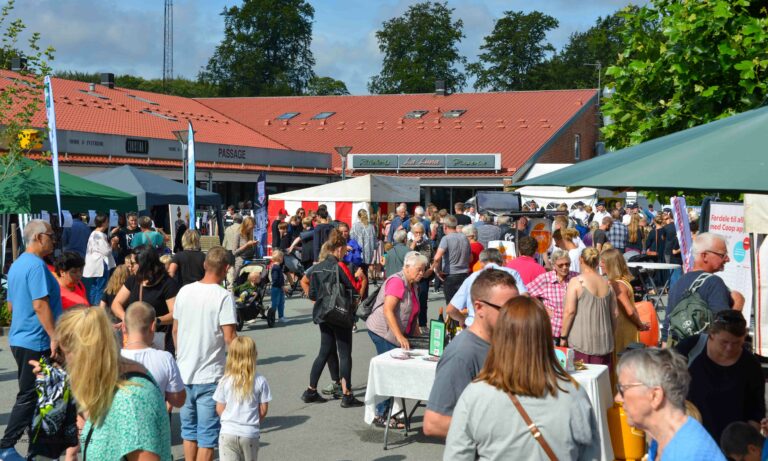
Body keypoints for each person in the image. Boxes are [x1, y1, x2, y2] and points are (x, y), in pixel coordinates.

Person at [444, 297, 600, 460]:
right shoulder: (574, 395)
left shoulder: (475, 395)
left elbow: (456, 455)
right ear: (545, 338)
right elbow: (591, 455)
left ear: (500, 337)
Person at [52, 307, 172, 461]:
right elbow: (97, 425)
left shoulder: (131, 401)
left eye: (64, 354)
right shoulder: (113, 382)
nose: (66, 365)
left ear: (86, 355)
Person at [423, 269, 520, 438]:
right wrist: (507, 430)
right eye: (505, 308)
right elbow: (434, 423)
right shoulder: (462, 354)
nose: (513, 315)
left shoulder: (503, 340)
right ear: (479, 308)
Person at [0, 220, 62, 460]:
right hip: (35, 340)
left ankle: (38, 447)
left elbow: (11, 305)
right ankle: (6, 446)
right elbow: (39, 304)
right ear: (38, 237)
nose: (53, 239)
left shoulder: (17, 264)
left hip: (21, 337)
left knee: (39, 394)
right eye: (50, 235)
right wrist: (54, 335)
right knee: (30, 395)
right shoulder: (36, 266)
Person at [173, 246, 238, 461]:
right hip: (210, 374)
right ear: (226, 268)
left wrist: (180, 356)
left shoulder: (184, 291)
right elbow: (230, 338)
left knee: (189, 432)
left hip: (184, 371)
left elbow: (175, 330)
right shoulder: (223, 297)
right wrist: (240, 367)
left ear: (205, 265)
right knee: (207, 437)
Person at [616, 348, 726, 461]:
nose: (617, 398)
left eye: (622, 389)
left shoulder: (686, 453)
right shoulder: (662, 439)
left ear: (655, 396)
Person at [675, 310, 765, 442]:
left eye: (736, 343)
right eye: (724, 342)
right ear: (711, 334)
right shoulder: (690, 349)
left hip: (732, 445)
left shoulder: (750, 365)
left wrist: (748, 443)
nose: (730, 348)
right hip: (690, 436)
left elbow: (756, 410)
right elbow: (665, 385)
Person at [365, 251, 428, 426]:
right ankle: (381, 415)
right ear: (407, 267)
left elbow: (413, 312)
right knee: (390, 372)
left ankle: (393, 413)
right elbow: (388, 311)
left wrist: (417, 335)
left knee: (396, 371)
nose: (422, 273)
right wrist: (400, 336)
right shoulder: (397, 281)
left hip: (396, 332)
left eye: (423, 270)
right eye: (419, 269)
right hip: (382, 331)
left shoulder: (413, 284)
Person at [303, 231, 365, 407]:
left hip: (323, 313)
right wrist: (360, 279)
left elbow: (312, 292)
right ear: (338, 249)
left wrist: (319, 301)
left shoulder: (316, 268)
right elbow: (353, 288)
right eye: (344, 251)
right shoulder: (340, 267)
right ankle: (347, 394)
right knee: (344, 353)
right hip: (339, 312)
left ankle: (311, 390)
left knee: (324, 352)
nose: (345, 254)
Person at [664, 232, 745, 344]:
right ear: (705, 256)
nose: (728, 259)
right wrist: (738, 303)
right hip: (703, 354)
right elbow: (723, 328)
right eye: (722, 255)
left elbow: (667, 326)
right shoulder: (713, 283)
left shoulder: (679, 282)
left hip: (678, 354)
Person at [214, 336, 272, 461]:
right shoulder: (260, 381)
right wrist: (253, 421)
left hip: (228, 432)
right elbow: (263, 410)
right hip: (249, 432)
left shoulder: (224, 380)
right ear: (254, 355)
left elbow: (219, 408)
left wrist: (230, 418)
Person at [112, 246, 179, 352]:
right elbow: (116, 303)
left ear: (143, 263)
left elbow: (175, 314)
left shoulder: (167, 283)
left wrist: (155, 321)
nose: (130, 266)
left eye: (133, 263)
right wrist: (127, 319)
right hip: (134, 338)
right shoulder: (133, 280)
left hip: (159, 339)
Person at [121, 301, 186, 410]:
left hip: (119, 425)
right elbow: (178, 401)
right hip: (153, 424)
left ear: (123, 327)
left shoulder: (110, 359)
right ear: (153, 326)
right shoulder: (165, 359)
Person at [560, 248, 619, 366]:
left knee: (582, 381)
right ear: (597, 262)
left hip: (581, 344)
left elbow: (569, 311)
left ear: (581, 259)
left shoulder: (576, 282)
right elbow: (615, 314)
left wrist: (563, 337)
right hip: (604, 343)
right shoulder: (607, 283)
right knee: (602, 382)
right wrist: (611, 335)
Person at [445, 249, 527, 326]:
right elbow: (525, 298)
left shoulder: (472, 277)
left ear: (481, 263)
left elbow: (450, 310)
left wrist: (462, 319)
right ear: (501, 262)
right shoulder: (512, 273)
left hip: (476, 327)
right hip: (506, 327)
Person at [600, 249, 650, 354]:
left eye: (603, 262)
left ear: (611, 264)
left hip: (622, 330)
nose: (600, 264)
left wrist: (640, 324)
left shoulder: (617, 284)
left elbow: (630, 310)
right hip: (626, 328)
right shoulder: (623, 282)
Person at [527, 249, 579, 339]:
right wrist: (542, 308)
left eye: (567, 264)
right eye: (560, 265)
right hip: (552, 331)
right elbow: (525, 294)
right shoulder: (545, 278)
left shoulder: (576, 277)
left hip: (573, 331)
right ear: (554, 265)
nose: (564, 267)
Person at [431, 215, 471, 304]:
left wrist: (437, 271)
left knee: (451, 305)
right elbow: (470, 257)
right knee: (462, 304)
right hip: (464, 274)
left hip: (451, 275)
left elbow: (437, 257)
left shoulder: (446, 239)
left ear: (445, 226)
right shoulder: (464, 237)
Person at [83, 213, 117, 306]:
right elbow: (107, 252)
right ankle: (97, 308)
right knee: (101, 288)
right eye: (107, 221)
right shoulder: (99, 235)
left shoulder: (94, 233)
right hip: (101, 264)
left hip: (94, 264)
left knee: (94, 287)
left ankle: (92, 307)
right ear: (104, 222)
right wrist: (113, 244)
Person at [408, 222, 435, 328]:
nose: (418, 234)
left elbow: (433, 259)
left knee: (423, 301)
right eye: (416, 232)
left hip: (424, 277)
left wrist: (431, 269)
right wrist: (414, 242)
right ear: (413, 233)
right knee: (411, 302)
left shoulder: (428, 243)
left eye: (420, 232)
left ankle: (423, 324)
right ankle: (411, 325)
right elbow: (407, 256)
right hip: (412, 278)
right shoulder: (410, 242)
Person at [352, 209, 379, 284]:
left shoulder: (355, 226)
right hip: (367, 254)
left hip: (357, 253)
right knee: (365, 273)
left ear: (358, 216)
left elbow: (352, 239)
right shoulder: (371, 227)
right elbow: (374, 243)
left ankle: (359, 292)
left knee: (358, 273)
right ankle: (365, 293)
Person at [232, 216, 259, 286]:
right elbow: (234, 252)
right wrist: (247, 245)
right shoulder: (238, 234)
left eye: (253, 227)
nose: (252, 229)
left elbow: (252, 250)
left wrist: (254, 245)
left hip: (250, 261)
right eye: (251, 227)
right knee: (238, 281)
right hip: (241, 262)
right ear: (246, 225)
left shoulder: (250, 234)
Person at [223, 214, 243, 287]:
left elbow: (225, 242)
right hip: (240, 250)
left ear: (233, 220)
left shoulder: (228, 229)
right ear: (241, 220)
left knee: (230, 267)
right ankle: (236, 282)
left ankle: (231, 282)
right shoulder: (243, 229)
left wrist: (223, 250)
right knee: (239, 267)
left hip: (229, 250)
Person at [270, 249, 288, 322]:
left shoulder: (278, 267)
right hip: (276, 288)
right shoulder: (275, 268)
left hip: (279, 288)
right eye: (282, 257)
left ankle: (281, 317)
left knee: (281, 302)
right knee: (275, 303)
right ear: (280, 258)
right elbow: (276, 279)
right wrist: (282, 286)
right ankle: (272, 316)